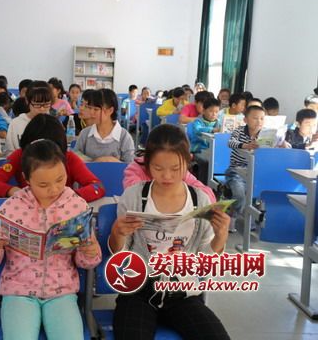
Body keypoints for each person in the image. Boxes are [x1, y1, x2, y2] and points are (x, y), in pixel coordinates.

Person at [109, 124, 230, 340]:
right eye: (158, 168)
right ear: (147, 164)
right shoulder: (134, 196)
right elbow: (121, 257)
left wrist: (220, 237)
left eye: (176, 168)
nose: (167, 176)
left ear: (188, 161)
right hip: (138, 291)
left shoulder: (200, 200)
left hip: (183, 293)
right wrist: (117, 234)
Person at [0, 139, 101, 340]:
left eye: (60, 179)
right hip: (18, 290)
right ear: (26, 179)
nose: (54, 189)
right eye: (43, 184)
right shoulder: (11, 207)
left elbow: (87, 262)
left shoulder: (77, 206)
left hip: (62, 291)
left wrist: (90, 251)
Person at [0, 114, 105, 202]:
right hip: (28, 209)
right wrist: (12, 190)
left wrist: (71, 196)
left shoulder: (69, 158)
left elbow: (97, 186)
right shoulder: (19, 155)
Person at [225, 105, 266, 232]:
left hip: (254, 171)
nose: (259, 121)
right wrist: (245, 145)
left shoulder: (265, 134)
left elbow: (274, 146)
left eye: (262, 118)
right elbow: (230, 142)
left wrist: (282, 143)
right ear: (245, 120)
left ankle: (251, 218)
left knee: (255, 195)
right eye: (255, 118)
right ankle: (233, 216)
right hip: (236, 171)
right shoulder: (239, 131)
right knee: (239, 195)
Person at [75, 89, 135, 163]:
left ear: (110, 110)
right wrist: (98, 161)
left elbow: (130, 167)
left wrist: (116, 162)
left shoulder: (124, 138)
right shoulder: (84, 134)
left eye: (96, 109)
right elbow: (75, 160)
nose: (91, 113)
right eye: (90, 108)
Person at [6, 81, 51, 154]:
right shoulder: (16, 124)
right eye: (37, 104)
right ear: (27, 101)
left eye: (46, 104)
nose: (42, 109)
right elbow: (10, 152)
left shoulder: (53, 124)